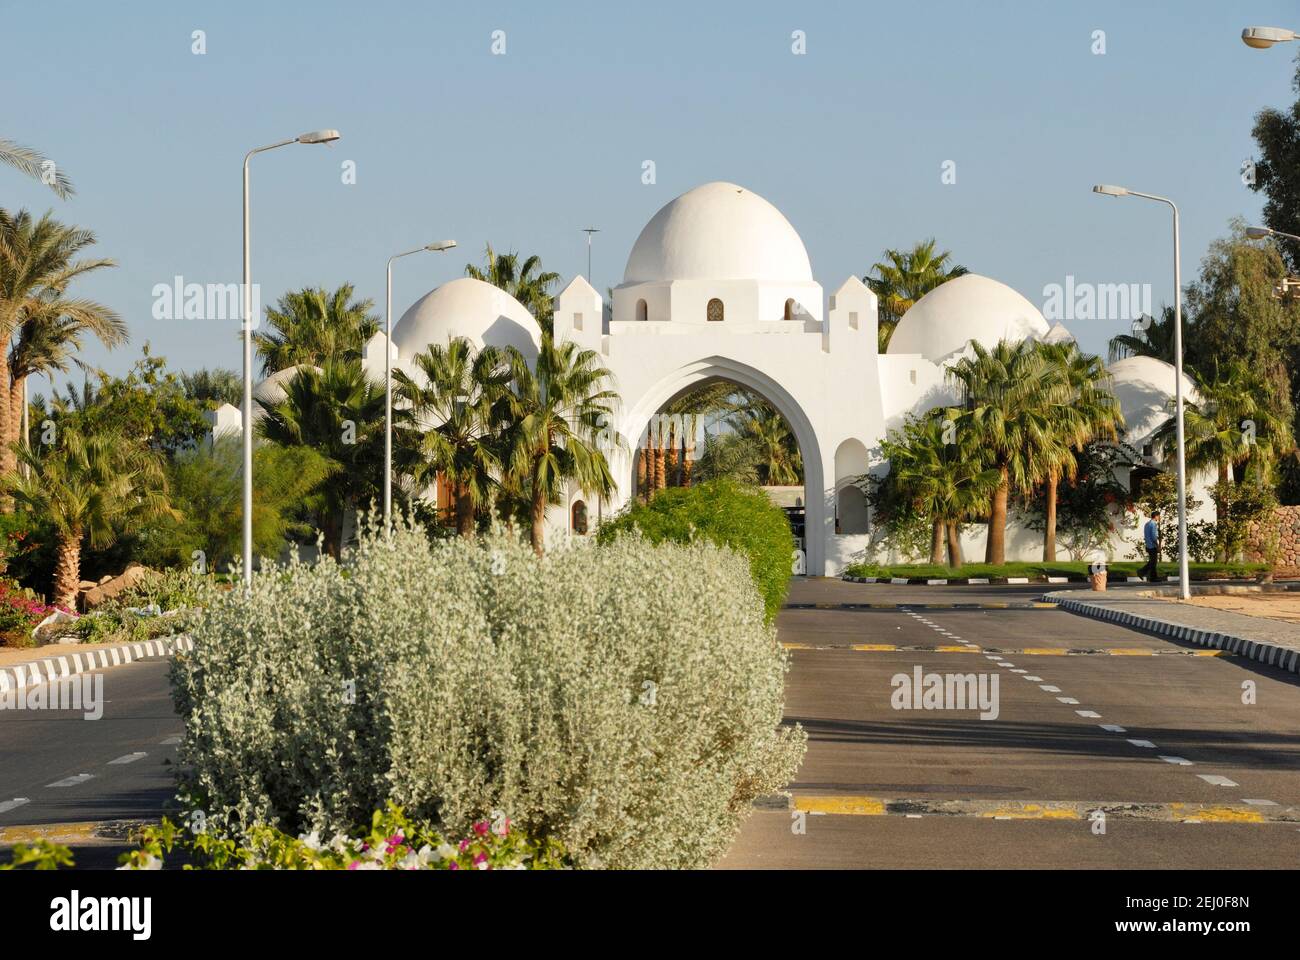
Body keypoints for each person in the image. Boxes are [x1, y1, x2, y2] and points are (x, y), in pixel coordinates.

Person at [1141, 510, 1162, 581]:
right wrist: (1157, 545)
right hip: (1152, 546)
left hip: (1148, 545)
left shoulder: (1147, 524)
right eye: (1159, 516)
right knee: (1153, 563)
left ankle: (1142, 572)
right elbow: (1153, 537)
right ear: (1156, 516)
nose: (1159, 517)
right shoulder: (1153, 524)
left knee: (1152, 562)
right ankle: (1153, 578)